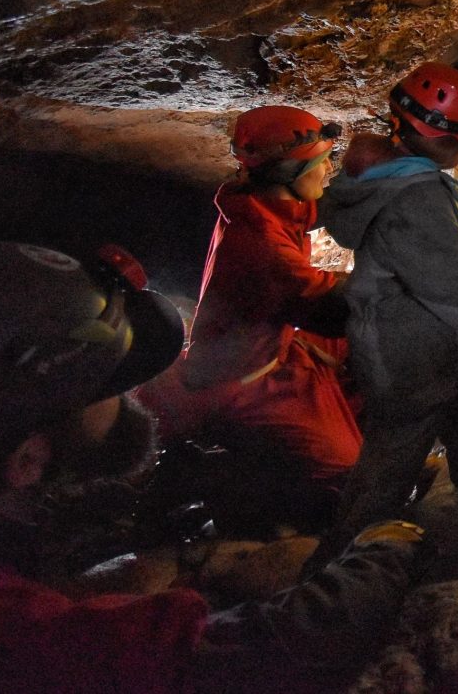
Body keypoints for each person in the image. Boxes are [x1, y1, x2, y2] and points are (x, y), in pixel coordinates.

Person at [0, 240, 425, 694]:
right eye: (110, 383)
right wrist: (392, 542)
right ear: (27, 458)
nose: (134, 393)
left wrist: (195, 565)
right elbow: (269, 646)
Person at [308, 62, 458, 566]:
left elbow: (410, 207)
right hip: (413, 365)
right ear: (453, 143)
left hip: (388, 347)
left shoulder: (381, 176)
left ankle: (346, 553)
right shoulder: (420, 201)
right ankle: (340, 574)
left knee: (384, 462)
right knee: (385, 475)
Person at [139, 107, 362, 525]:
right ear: (287, 174)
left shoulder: (268, 205)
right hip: (243, 381)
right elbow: (333, 312)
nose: (330, 168)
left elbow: (321, 238)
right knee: (345, 472)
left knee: (368, 365)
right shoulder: (262, 246)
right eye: (321, 161)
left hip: (273, 345)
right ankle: (222, 483)